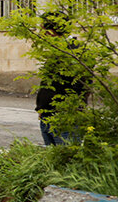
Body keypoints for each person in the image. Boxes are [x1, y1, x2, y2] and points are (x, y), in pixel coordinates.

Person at [35, 13, 89, 145]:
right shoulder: (57, 51)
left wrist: (70, 113)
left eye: (43, 29)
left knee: (67, 157)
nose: (41, 34)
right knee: (53, 159)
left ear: (50, 32)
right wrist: (42, 109)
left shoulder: (75, 52)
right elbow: (48, 85)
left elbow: (81, 86)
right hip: (48, 117)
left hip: (65, 120)